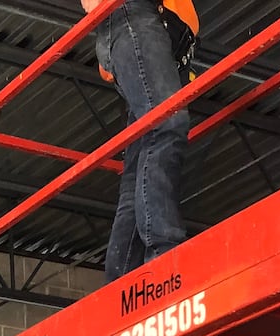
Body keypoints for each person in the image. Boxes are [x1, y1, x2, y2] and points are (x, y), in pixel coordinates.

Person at [83, 0, 198, 281]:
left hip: (159, 32)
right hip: (137, 17)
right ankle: (163, 251)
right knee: (167, 124)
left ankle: (121, 277)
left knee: (141, 159)